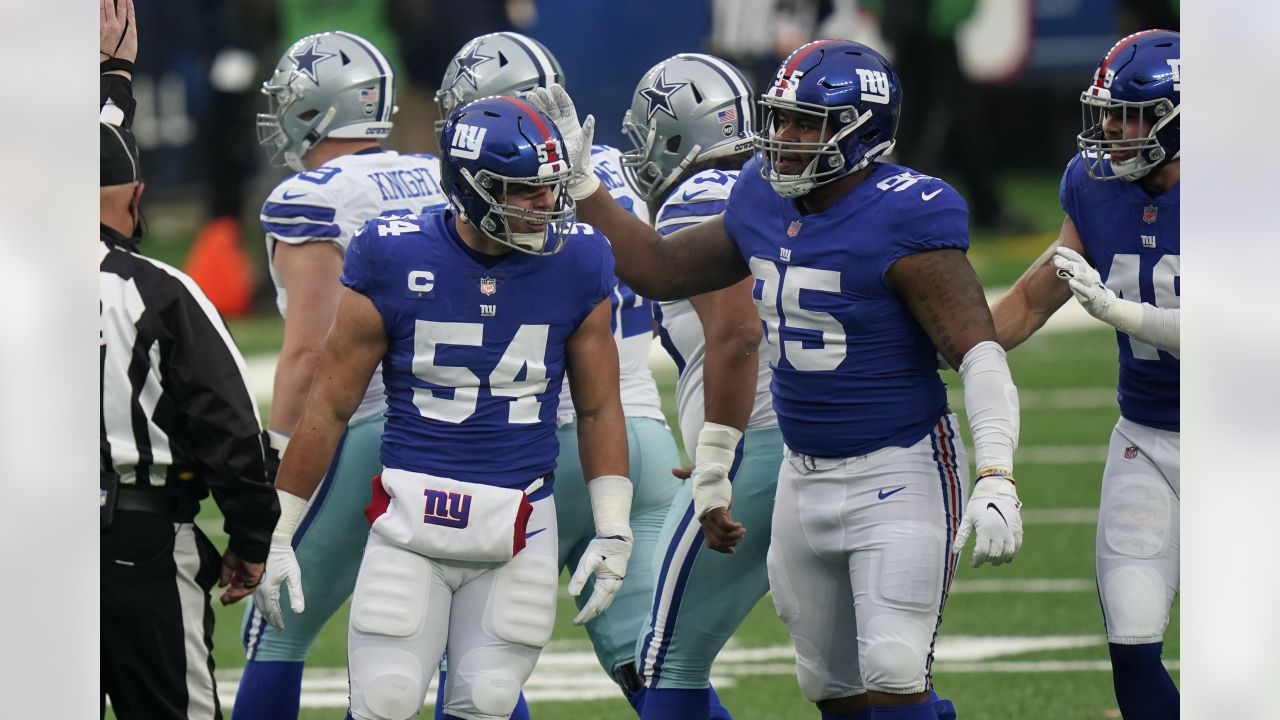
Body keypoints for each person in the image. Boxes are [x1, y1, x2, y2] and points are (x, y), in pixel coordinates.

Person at [527, 38, 1023, 720]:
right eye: (780, 118)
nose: (782, 137)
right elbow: (662, 269)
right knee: (832, 687)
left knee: (895, 668)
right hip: (800, 473)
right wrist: (583, 186)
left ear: (861, 130)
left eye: (804, 124)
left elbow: (979, 352)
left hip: (900, 464)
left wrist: (997, 470)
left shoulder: (907, 211)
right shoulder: (760, 195)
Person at [251, 96, 635, 720]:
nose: (547, 207)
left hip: (521, 520)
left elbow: (596, 408)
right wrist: (280, 525)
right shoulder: (391, 252)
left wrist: (613, 525)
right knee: (386, 700)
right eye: (525, 192)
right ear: (471, 189)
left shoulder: (579, 258)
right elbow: (331, 403)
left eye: (550, 189)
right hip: (409, 520)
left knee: (485, 703)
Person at [435, 32, 683, 714]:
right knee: (656, 672)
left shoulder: (501, 191)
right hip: (645, 444)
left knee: (473, 673)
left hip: (534, 450)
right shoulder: (616, 177)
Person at [233, 30, 450, 720]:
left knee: (276, 625)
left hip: (367, 426)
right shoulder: (434, 172)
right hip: (462, 425)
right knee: (467, 644)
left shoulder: (313, 195)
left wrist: (274, 459)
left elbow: (310, 351)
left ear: (315, 108)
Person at [991, 30, 1180, 719]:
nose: (1109, 130)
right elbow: (1038, 294)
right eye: (1105, 113)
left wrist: (1123, 315)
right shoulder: (1093, 183)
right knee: (1131, 645)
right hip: (1147, 438)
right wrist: (946, 351)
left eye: (1128, 116)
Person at [100, 2, 280, 718]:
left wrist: (111, 82)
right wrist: (249, 535)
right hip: (141, 542)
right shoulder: (159, 292)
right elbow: (227, 423)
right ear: (138, 198)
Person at [619, 52, 777, 720]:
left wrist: (718, 452)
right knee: (859, 671)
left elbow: (739, 332)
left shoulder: (698, 197)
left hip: (761, 445)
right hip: (837, 436)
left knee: (668, 663)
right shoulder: (781, 185)